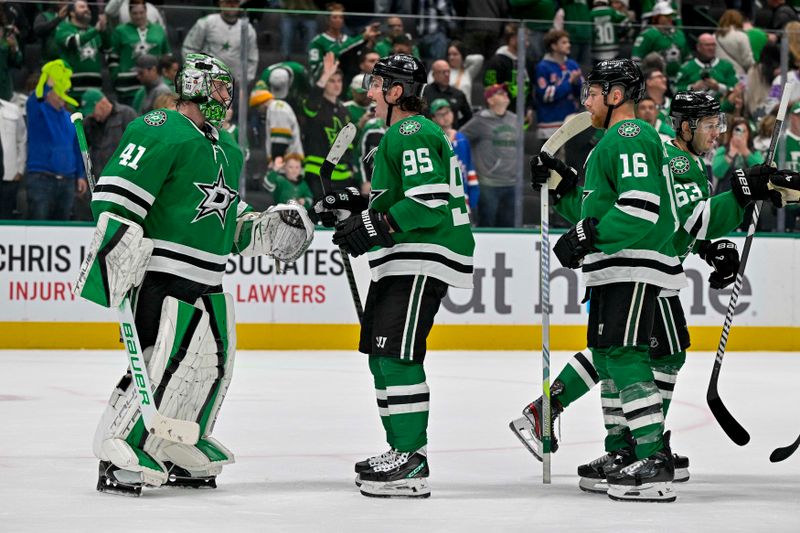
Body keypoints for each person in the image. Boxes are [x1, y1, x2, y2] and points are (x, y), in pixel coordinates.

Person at [514, 90, 799, 500]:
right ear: (684, 126)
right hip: (646, 268)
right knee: (630, 352)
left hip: (648, 265)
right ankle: (631, 445)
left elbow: (676, 221)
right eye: (708, 125)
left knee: (625, 350)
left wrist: (707, 249)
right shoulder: (676, 157)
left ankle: (620, 445)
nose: (715, 133)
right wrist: (743, 193)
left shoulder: (669, 154)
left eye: (718, 124)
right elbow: (686, 218)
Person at [75, 53, 314, 496]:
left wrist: (265, 229)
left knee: (213, 363)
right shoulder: (160, 128)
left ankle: (176, 441)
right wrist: (117, 244)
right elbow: (116, 195)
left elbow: (230, 221)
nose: (228, 97)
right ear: (199, 87)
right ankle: (119, 448)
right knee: (162, 362)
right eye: (222, 87)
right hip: (163, 273)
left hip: (211, 276)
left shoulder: (227, 148)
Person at [318, 54, 474, 499]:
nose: (368, 90)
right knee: (382, 356)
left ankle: (411, 458)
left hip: (422, 256)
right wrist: (354, 209)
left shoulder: (411, 130)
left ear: (397, 91)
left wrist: (371, 226)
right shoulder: (400, 134)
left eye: (376, 83)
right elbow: (398, 200)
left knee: (399, 357)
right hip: (404, 255)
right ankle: (400, 450)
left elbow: (427, 202)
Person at [527, 59, 683, 502]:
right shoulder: (606, 145)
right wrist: (560, 190)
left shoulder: (630, 134)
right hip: (615, 265)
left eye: (593, 93)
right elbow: (591, 211)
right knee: (612, 358)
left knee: (627, 356)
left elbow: (639, 206)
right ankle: (623, 451)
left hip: (632, 262)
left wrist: (588, 234)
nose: (587, 102)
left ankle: (653, 456)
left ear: (616, 96)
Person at [25, 60, 86, 221]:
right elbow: (34, 99)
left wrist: (80, 175)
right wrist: (48, 81)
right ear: (48, 94)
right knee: (38, 228)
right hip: (41, 179)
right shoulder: (38, 110)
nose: (62, 96)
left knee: (62, 229)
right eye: (58, 91)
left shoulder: (69, 117)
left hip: (67, 181)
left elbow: (76, 148)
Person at [459, 84, 517, 227]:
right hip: (488, 183)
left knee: (509, 227)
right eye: (499, 93)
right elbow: (459, 138)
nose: (504, 94)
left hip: (512, 182)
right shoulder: (479, 121)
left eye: (505, 92)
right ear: (490, 100)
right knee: (488, 225)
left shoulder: (515, 119)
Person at [300, 51, 353, 199]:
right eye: (332, 80)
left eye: (339, 81)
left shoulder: (344, 110)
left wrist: (351, 166)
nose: (337, 84)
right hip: (317, 171)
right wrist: (324, 75)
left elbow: (348, 142)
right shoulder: (315, 104)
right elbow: (311, 105)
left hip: (342, 174)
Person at [108, 0, 170, 106]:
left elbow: (167, 56)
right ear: (129, 14)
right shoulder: (120, 31)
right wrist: (117, 76)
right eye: (135, 13)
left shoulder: (158, 30)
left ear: (146, 12)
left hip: (154, 87)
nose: (139, 16)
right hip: (127, 88)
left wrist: (165, 80)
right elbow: (112, 57)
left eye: (141, 12)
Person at [182, 0, 259, 83]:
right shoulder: (206, 22)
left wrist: (245, 80)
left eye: (235, 3)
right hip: (207, 81)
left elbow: (252, 57)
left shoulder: (247, 28)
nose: (232, 5)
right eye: (228, 2)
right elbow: (189, 48)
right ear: (220, 3)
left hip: (234, 83)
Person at [430, 98, 479, 216]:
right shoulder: (432, 140)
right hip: (441, 202)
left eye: (447, 112)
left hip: (463, 201)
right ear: (433, 118)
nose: (445, 117)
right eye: (440, 114)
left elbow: (469, 168)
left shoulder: (462, 138)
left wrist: (473, 196)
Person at [306, 3, 380, 81]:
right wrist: (362, 37)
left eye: (341, 17)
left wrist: (368, 41)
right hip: (327, 78)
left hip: (349, 77)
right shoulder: (318, 41)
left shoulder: (348, 39)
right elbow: (316, 66)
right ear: (328, 20)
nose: (338, 20)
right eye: (334, 17)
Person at [55, 0, 111, 100]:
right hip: (73, 91)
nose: (87, 10)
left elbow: (108, 47)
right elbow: (72, 43)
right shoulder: (63, 28)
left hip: (95, 90)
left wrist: (104, 30)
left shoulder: (93, 31)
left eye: (87, 7)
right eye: (82, 7)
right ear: (72, 13)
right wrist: (96, 30)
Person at [534, 29, 582, 141]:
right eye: (564, 43)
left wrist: (576, 83)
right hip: (550, 122)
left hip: (570, 119)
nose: (569, 45)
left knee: (571, 157)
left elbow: (582, 93)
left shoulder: (572, 64)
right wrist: (569, 81)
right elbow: (546, 95)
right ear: (554, 46)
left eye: (568, 42)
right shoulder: (543, 67)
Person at [631, 1, 690, 85]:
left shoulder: (679, 34)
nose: (670, 18)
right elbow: (636, 60)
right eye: (666, 16)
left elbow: (687, 58)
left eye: (670, 15)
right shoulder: (647, 35)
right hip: (656, 81)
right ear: (656, 17)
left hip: (678, 81)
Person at [81, 89, 138, 174]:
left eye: (93, 110)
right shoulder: (88, 122)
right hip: (99, 178)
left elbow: (138, 144)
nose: (91, 115)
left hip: (122, 175)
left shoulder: (127, 114)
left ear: (103, 103)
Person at [248, 87, 303, 169]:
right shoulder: (275, 108)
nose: (258, 111)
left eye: (257, 107)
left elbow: (280, 140)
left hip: (288, 163)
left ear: (263, 103)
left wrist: (276, 162)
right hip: (288, 162)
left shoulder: (277, 109)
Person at [675, 33, 738, 102]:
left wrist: (718, 87)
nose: (711, 48)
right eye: (707, 45)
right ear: (698, 47)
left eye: (713, 45)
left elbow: (735, 89)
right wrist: (692, 88)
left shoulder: (726, 66)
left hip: (721, 109)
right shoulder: (686, 67)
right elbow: (675, 90)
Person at [427, 40, 483, 107]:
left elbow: (479, 58)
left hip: (466, 112)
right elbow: (429, 90)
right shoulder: (439, 70)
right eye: (449, 54)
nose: (451, 57)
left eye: (455, 54)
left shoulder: (467, 71)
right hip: (447, 112)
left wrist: (462, 60)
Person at [422, 59, 472, 129]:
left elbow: (469, 117)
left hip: (451, 134)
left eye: (448, 71)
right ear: (434, 75)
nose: (447, 75)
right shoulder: (423, 92)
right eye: (442, 72)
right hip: (428, 133)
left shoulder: (458, 94)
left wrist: (457, 127)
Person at [0, 94, 25, 219]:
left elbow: (22, 139)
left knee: (6, 217)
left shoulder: (13, 109)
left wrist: (20, 169)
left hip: (9, 176)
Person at [715, 9, 755, 77]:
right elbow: (747, 60)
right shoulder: (741, 36)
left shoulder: (714, 36)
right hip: (737, 73)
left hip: (718, 73)